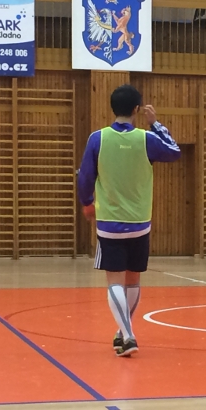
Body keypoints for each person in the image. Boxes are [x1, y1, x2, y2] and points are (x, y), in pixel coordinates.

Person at [78, 84, 181, 357]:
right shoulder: (146, 139)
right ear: (137, 109)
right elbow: (175, 151)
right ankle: (124, 332)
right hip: (139, 223)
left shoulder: (97, 138)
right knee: (132, 280)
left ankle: (128, 335)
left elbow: (85, 176)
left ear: (112, 108)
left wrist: (87, 203)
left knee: (114, 281)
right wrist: (156, 123)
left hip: (110, 223)